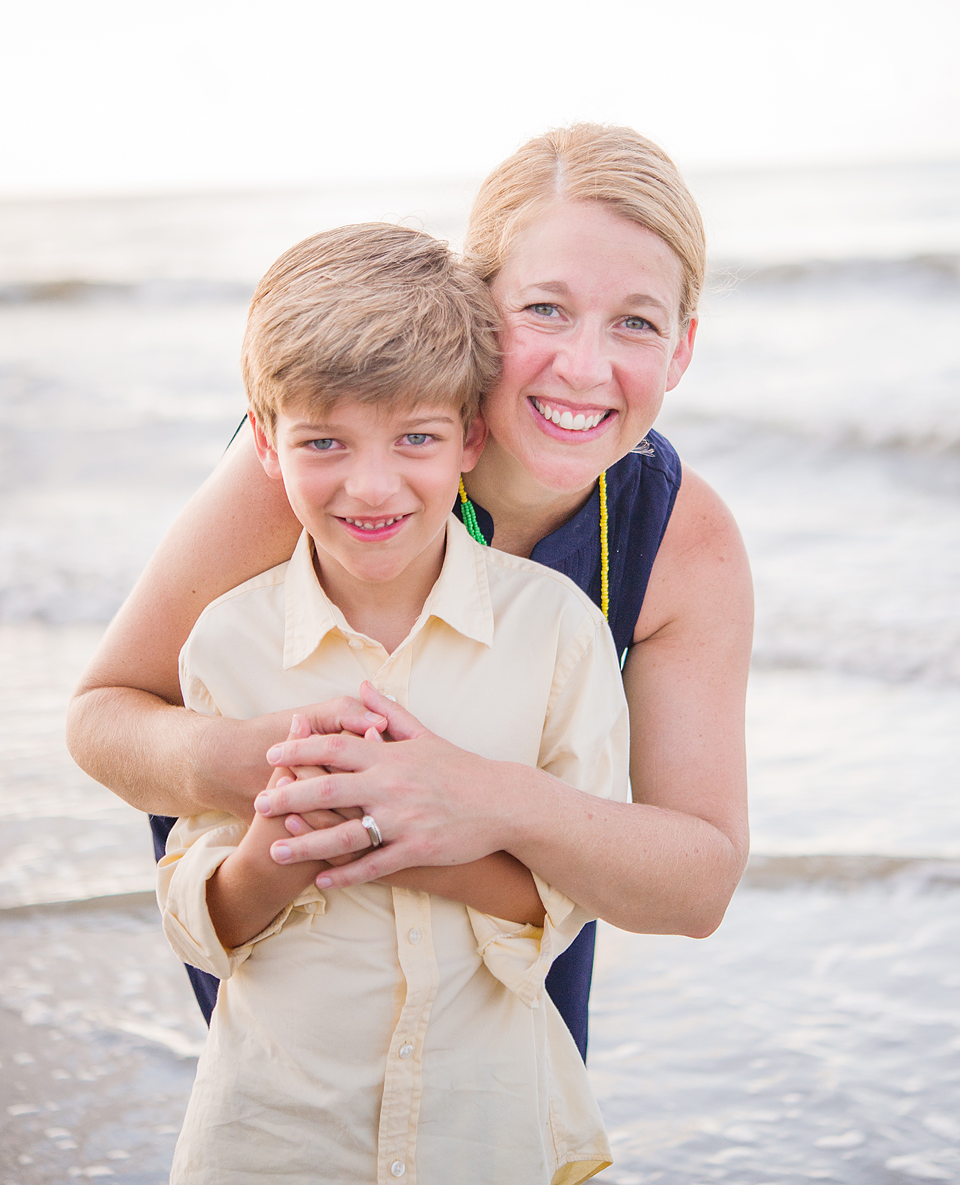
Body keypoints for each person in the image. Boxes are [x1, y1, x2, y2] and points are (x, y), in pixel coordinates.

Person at [67, 122, 753, 1063]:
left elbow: (700, 883)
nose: (586, 367)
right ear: (473, 307)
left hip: (500, 1031)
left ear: (681, 350)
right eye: (545, 309)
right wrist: (250, 761)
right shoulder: (331, 470)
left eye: (635, 321)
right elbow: (105, 715)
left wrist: (490, 799)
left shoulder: (683, 540)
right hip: (286, 1017)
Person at [159, 222, 628, 1183]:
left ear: (469, 438)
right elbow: (203, 917)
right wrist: (281, 847)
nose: (370, 485)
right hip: (275, 1136)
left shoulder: (556, 634)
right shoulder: (227, 642)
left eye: (415, 437)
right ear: (265, 441)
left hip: (490, 1132)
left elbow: (576, 893)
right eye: (323, 441)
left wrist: (415, 827)